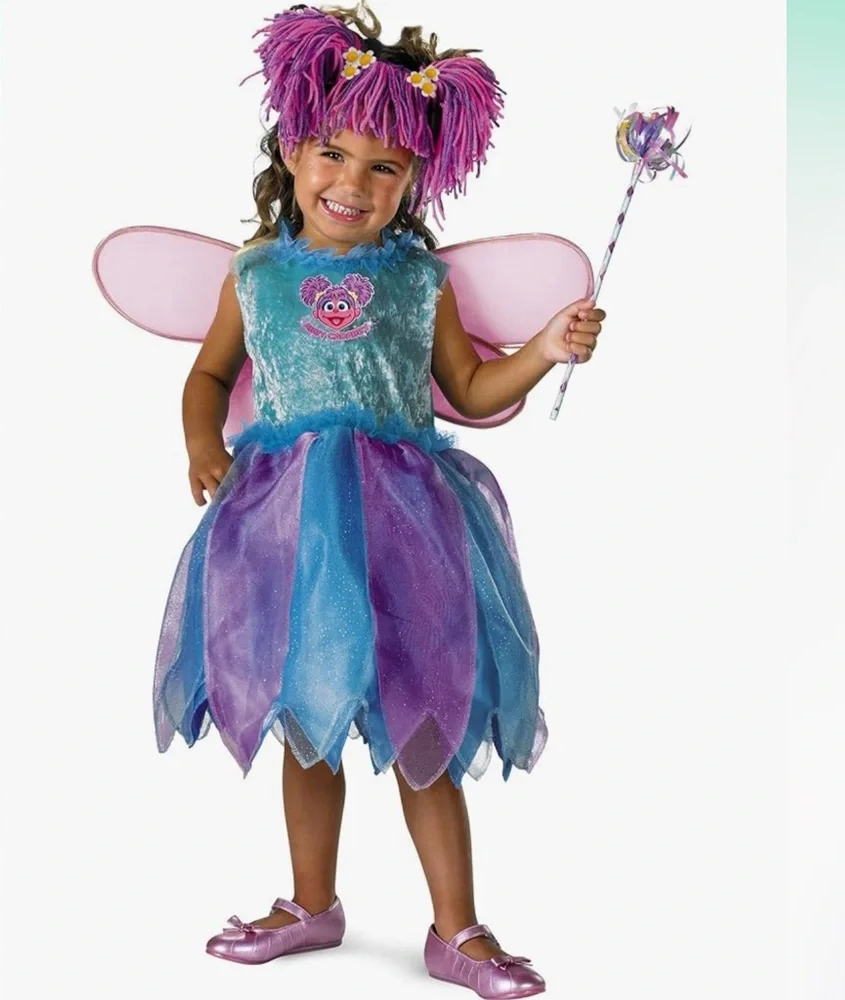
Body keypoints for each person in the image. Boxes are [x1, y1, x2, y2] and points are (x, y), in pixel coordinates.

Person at [155, 5, 604, 997]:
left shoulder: (420, 282)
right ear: (290, 148)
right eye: (332, 154)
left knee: (424, 724)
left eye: (383, 167)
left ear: (416, 180)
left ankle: (457, 929)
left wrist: (543, 348)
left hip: (407, 529)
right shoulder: (253, 275)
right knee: (306, 715)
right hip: (287, 528)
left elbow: (470, 390)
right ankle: (311, 903)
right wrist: (201, 443)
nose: (351, 184)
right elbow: (209, 374)